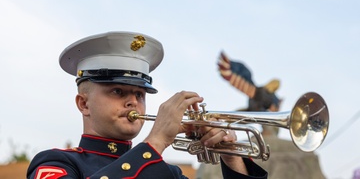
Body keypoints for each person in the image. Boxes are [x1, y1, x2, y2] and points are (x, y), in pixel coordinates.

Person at [27, 31, 267, 179]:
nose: (133, 101)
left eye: (140, 94)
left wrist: (232, 159)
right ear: (84, 103)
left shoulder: (168, 173)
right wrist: (157, 141)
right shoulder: (55, 163)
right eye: (118, 91)